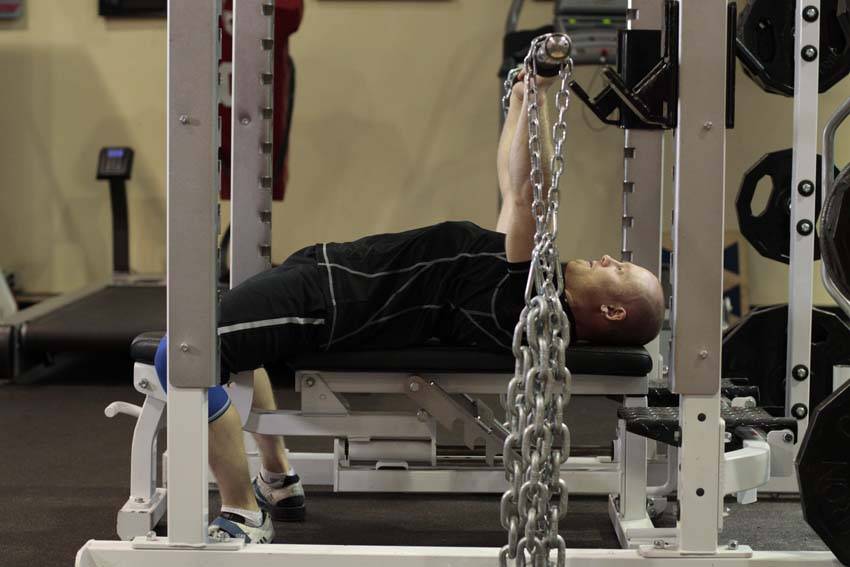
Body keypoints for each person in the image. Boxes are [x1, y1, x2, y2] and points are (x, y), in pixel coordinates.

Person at [154, 72, 666, 543]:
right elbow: (513, 195)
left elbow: (533, 192)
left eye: (617, 271)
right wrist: (518, 104)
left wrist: (541, 102)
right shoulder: (533, 283)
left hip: (334, 302)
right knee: (234, 345)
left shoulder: (535, 305)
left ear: (614, 312)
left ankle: (245, 510)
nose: (606, 258)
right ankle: (278, 478)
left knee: (184, 352)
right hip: (328, 281)